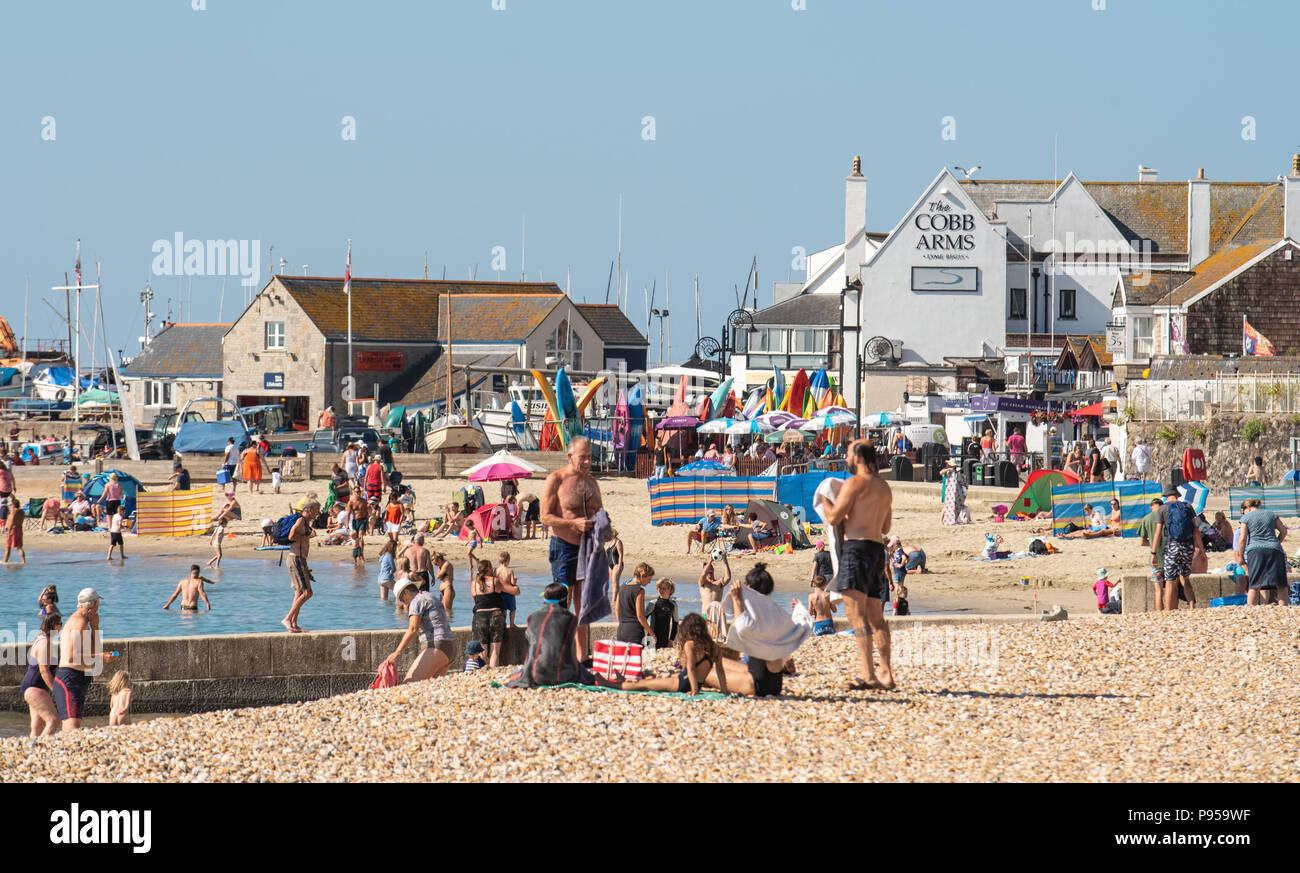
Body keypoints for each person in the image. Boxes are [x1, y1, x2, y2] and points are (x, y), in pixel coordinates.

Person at [824, 440, 895, 691]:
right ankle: (886, 673)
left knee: (856, 616)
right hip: (877, 551)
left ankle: (868, 676)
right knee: (877, 618)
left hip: (856, 550)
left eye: (847, 453)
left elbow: (833, 517)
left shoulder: (854, 483)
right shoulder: (884, 487)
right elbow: (886, 527)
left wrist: (823, 499)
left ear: (857, 458)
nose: (845, 457)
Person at [540, 435, 603, 661]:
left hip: (587, 549)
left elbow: (599, 513)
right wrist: (572, 524)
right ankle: (557, 656)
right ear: (570, 456)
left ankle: (581, 656)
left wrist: (603, 525)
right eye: (582, 457)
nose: (587, 462)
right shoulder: (555, 480)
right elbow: (545, 517)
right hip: (563, 547)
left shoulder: (592, 482)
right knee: (561, 603)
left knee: (583, 604)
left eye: (590, 457)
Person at [604, 613, 760, 696]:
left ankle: (612, 684)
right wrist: (724, 690)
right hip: (686, 680)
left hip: (682, 683)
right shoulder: (713, 647)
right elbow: (719, 670)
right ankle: (622, 679)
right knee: (652, 678)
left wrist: (694, 691)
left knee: (643, 686)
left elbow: (691, 669)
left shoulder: (690, 645)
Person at [55, 588, 118, 730]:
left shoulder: (85, 622)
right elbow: (72, 657)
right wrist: (102, 658)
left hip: (77, 678)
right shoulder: (79, 622)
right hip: (69, 678)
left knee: (74, 725)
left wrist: (95, 626)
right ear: (95, 604)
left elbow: (92, 652)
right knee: (72, 726)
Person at [384, 576, 454, 682]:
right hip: (450, 647)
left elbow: (413, 629)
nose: (404, 604)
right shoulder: (429, 596)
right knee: (432, 690)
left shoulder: (416, 601)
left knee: (410, 683)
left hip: (436, 646)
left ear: (406, 592)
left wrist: (396, 653)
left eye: (402, 600)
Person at [1151, 486, 1201, 610]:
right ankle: (1191, 607)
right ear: (1177, 495)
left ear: (1166, 496)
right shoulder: (1188, 506)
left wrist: (1153, 553)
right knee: (1185, 578)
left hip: (1172, 546)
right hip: (1187, 546)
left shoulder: (1162, 508)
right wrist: (1201, 549)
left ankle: (1170, 611)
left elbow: (1157, 533)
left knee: (1170, 581)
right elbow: (1195, 529)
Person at [469, 545, 517, 667]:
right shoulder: (495, 581)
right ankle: (493, 673)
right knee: (495, 650)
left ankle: (483, 672)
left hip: (480, 615)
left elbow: (475, 599)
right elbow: (513, 591)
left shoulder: (474, 583)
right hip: (496, 615)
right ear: (490, 569)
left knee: (483, 649)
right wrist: (515, 586)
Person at [1235, 497, 1289, 605]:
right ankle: (1284, 611)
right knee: (1281, 585)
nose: (1243, 513)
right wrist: (1276, 543)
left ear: (1248, 508)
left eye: (1243, 510)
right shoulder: (1271, 514)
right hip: (1274, 549)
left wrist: (1240, 555)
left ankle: (1251, 610)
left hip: (1255, 550)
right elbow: (1283, 531)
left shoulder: (1246, 518)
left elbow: (1242, 538)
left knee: (1254, 584)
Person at [282, 499, 320, 632]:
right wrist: (306, 537)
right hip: (295, 559)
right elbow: (292, 536)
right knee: (307, 593)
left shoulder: (305, 523)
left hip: (300, 560)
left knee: (299, 593)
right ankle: (287, 618)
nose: (318, 513)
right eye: (316, 510)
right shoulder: (300, 521)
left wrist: (308, 535)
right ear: (309, 509)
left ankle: (293, 624)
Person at [22, 613, 62, 736]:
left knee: (37, 726)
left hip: (31, 687)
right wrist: (55, 690)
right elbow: (44, 670)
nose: (61, 627)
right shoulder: (45, 643)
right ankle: (42, 747)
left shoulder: (40, 639)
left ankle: (32, 750)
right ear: (54, 626)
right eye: (60, 624)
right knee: (53, 720)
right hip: (35, 688)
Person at [614, 562, 656, 646]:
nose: (649, 582)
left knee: (623, 657)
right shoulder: (639, 591)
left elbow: (617, 609)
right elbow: (640, 616)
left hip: (621, 630)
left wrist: (622, 624)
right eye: (649, 579)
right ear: (642, 576)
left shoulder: (623, 586)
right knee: (635, 658)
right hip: (634, 631)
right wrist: (652, 633)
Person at [1137, 498, 1166, 611]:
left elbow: (1142, 542)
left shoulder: (1146, 519)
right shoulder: (1166, 517)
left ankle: (1159, 613)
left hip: (1154, 559)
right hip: (1168, 556)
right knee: (1170, 588)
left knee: (1158, 591)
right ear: (1162, 506)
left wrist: (1154, 543)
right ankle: (1170, 613)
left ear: (1151, 506)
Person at [698, 553, 732, 640]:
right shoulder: (703, 583)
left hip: (717, 613)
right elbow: (702, 575)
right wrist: (710, 561)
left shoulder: (718, 583)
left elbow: (728, 577)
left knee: (718, 637)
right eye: (707, 570)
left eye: (711, 569)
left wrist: (725, 561)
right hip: (705, 614)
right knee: (705, 637)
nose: (709, 571)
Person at [646, 578, 679, 646]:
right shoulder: (653, 603)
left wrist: (671, 640)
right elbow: (643, 620)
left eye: (664, 588)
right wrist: (650, 634)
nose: (661, 590)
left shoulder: (673, 605)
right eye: (659, 588)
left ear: (671, 590)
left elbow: (675, 624)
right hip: (651, 638)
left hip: (664, 639)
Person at [940, 458, 967, 526]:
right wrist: (948, 469)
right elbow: (941, 472)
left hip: (954, 491)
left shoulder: (956, 473)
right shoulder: (946, 472)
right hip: (946, 490)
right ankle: (941, 520)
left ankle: (952, 519)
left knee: (952, 505)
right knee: (946, 506)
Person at [496, 552, 519, 627]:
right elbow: (512, 583)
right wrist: (515, 580)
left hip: (500, 593)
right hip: (509, 592)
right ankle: (512, 623)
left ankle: (503, 623)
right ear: (508, 561)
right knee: (512, 609)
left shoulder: (496, 570)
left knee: (504, 609)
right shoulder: (509, 571)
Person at [4, 494, 26, 564]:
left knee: (8, 547)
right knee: (19, 547)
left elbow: (11, 522)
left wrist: (8, 533)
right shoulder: (21, 512)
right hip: (19, 529)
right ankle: (23, 561)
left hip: (13, 530)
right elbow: (22, 520)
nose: (10, 506)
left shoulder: (13, 512)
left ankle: (5, 561)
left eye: (11, 505)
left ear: (13, 505)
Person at [433, 549, 455, 613]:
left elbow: (438, 576)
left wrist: (439, 568)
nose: (436, 565)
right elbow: (438, 576)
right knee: (442, 610)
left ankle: (449, 622)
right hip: (443, 588)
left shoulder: (446, 564)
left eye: (436, 563)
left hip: (448, 588)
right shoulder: (441, 566)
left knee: (447, 610)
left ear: (440, 560)